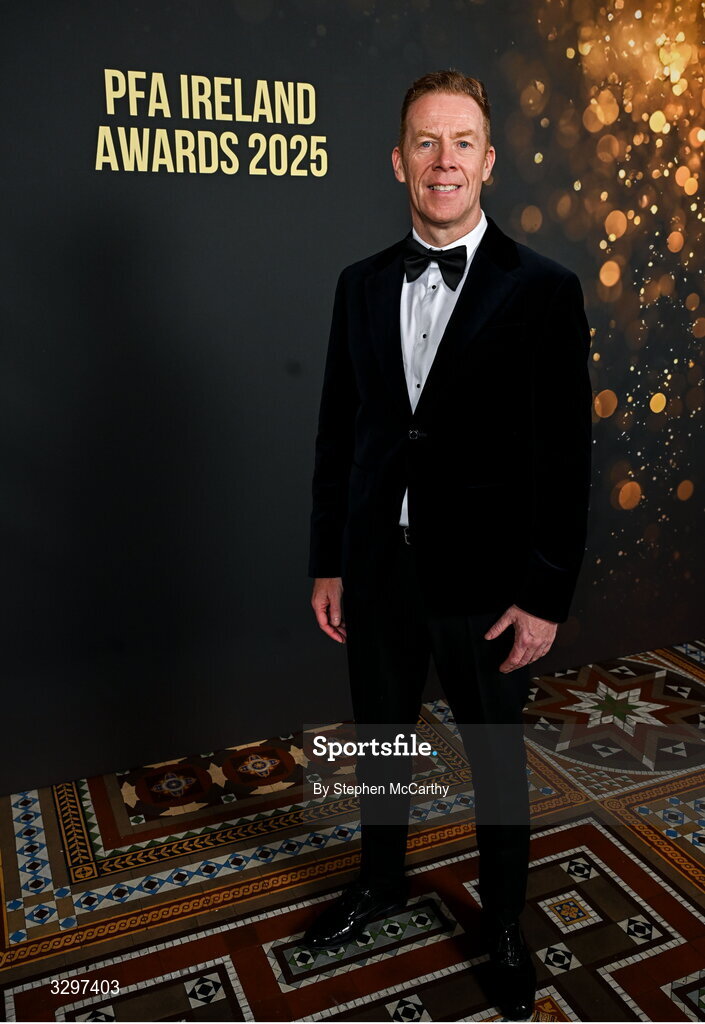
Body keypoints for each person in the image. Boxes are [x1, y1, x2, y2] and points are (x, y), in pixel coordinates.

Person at [305, 69, 592, 1021]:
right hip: (377, 570)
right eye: (424, 142)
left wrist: (545, 593)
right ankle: (380, 881)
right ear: (397, 161)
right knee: (383, 743)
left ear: (488, 160)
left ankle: (502, 924)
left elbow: (566, 457)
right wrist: (329, 558)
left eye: (461, 142)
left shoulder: (545, 291)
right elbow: (338, 434)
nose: (443, 162)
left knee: (495, 763)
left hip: (488, 583)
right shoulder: (357, 285)